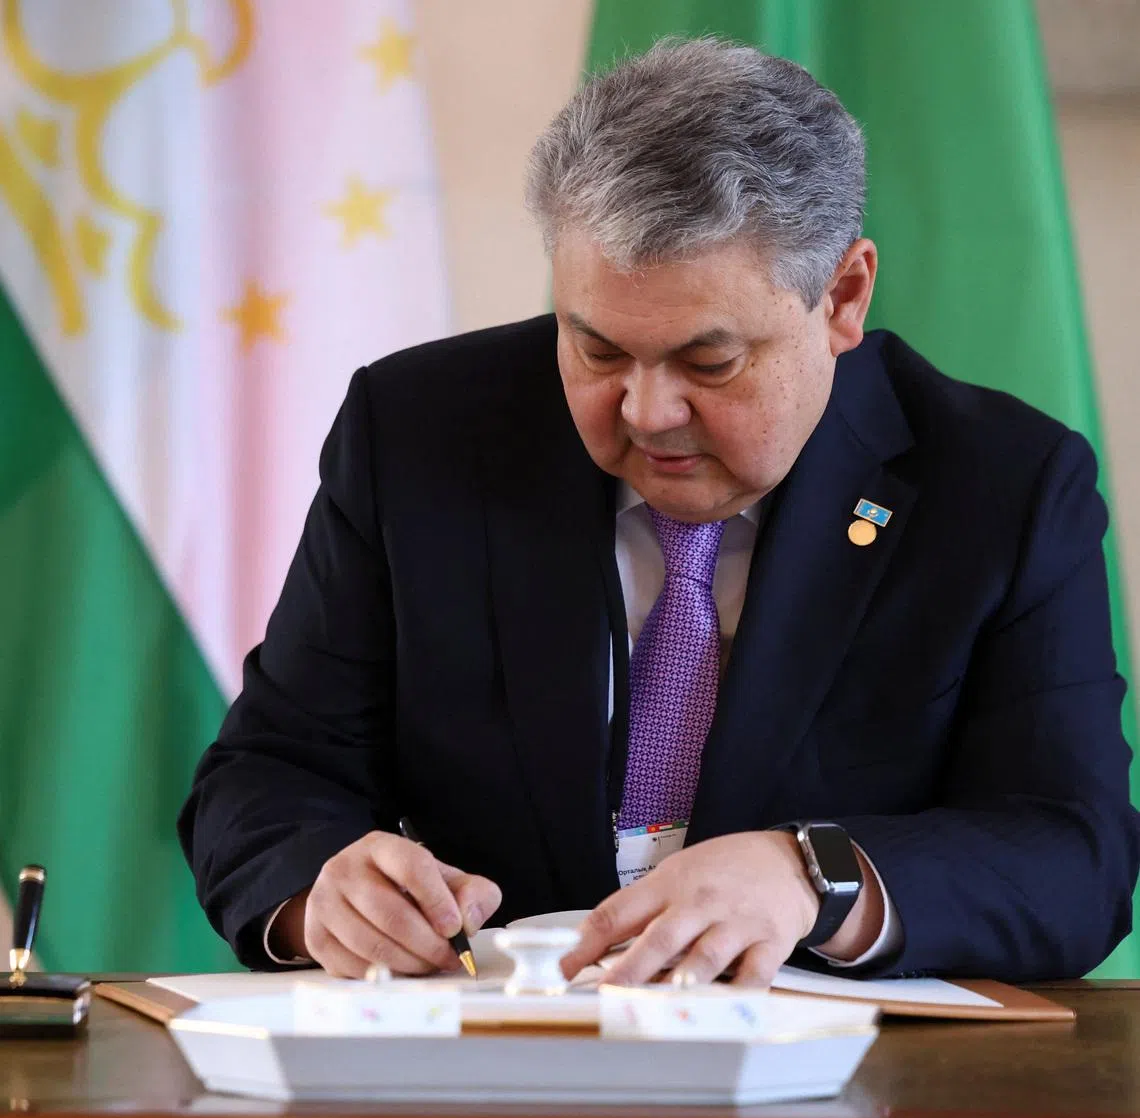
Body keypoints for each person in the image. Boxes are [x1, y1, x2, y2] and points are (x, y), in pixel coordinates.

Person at [179, 38, 1139, 984]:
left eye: (708, 362)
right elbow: (269, 774)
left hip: (840, 1094)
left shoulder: (1001, 484)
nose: (647, 412)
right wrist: (325, 887)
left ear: (842, 298)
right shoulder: (422, 434)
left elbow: (1072, 853)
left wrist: (817, 876)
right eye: (597, 351)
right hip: (494, 1068)